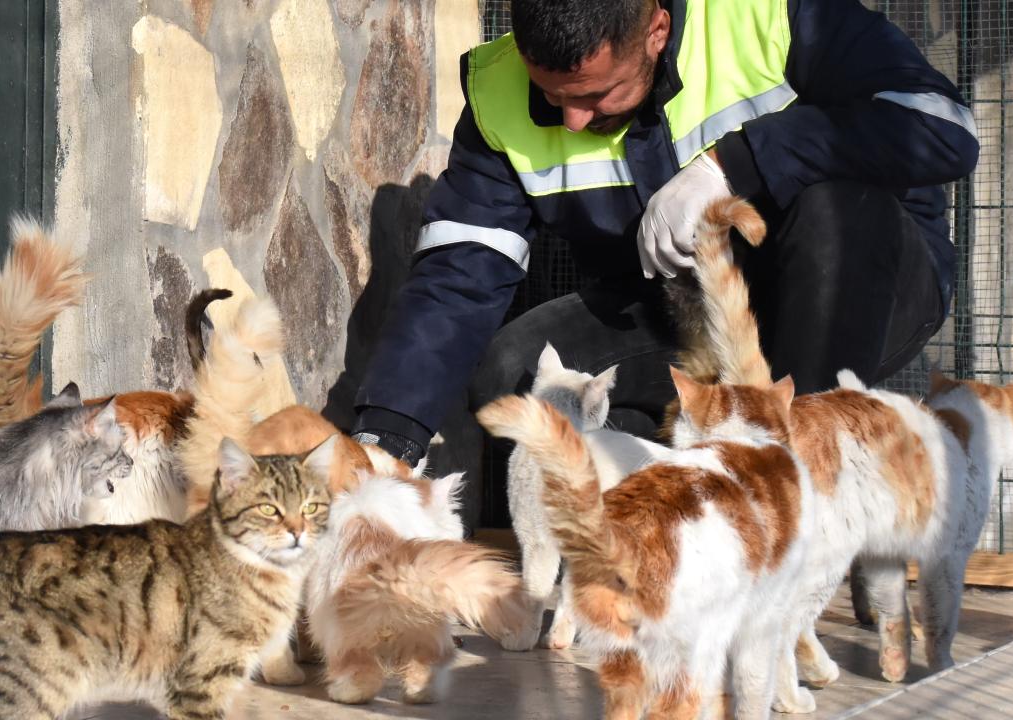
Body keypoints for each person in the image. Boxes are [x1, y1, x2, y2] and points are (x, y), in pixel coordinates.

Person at [349, 0, 978, 524]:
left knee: (835, 205)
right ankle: (664, 522)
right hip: (682, 308)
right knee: (521, 382)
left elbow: (943, 126)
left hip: (859, 288)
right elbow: (461, 273)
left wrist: (737, 165)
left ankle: (799, 501)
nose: (573, 118)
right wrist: (386, 439)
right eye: (553, 96)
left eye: (598, 95)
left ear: (656, 30)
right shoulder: (499, 94)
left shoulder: (766, 14)